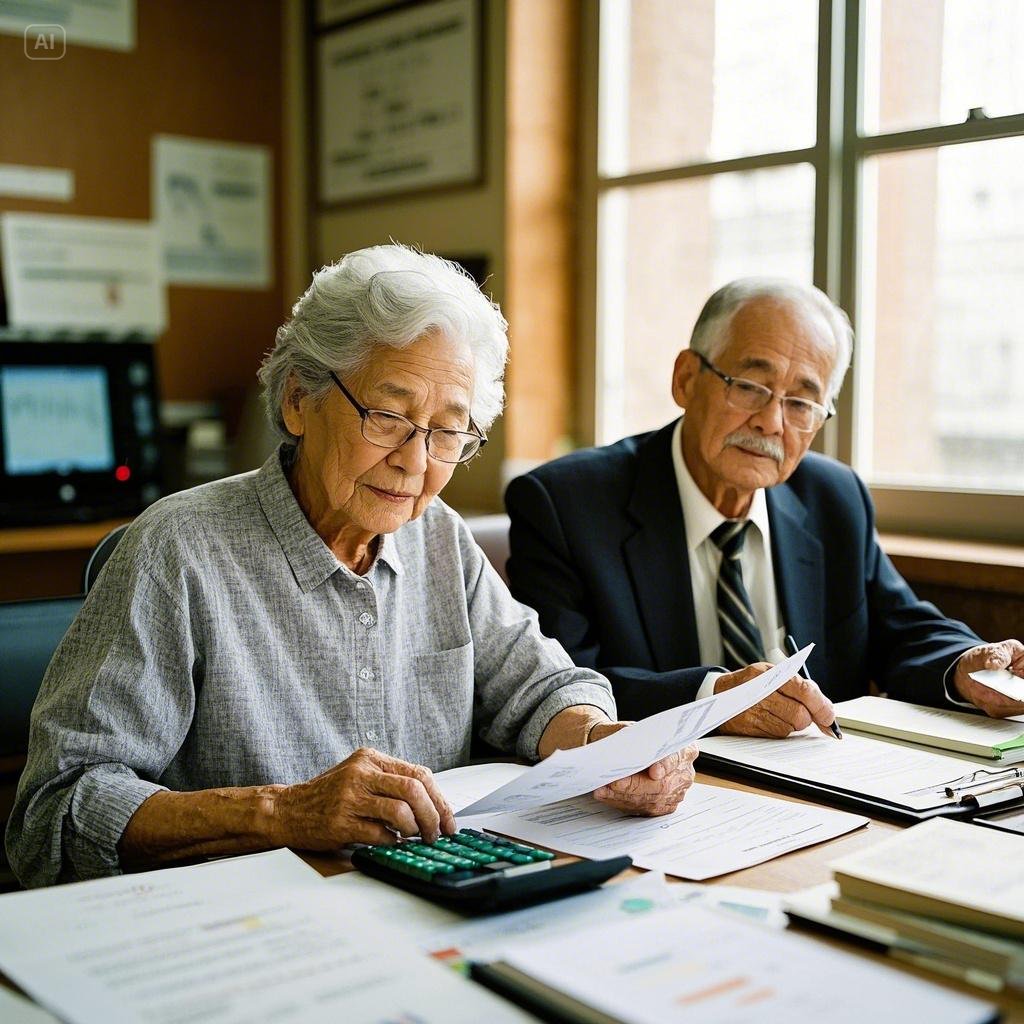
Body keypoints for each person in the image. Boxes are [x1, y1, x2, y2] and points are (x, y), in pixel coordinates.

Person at [6, 245, 696, 889]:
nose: (416, 461)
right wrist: (282, 814)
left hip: (432, 902)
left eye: (448, 432)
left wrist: (601, 743)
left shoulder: (440, 540)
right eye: (388, 416)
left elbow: (543, 685)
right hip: (248, 925)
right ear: (298, 402)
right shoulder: (177, 551)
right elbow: (57, 810)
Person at [506, 278, 1024, 736]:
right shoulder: (566, 504)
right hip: (655, 791)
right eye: (750, 387)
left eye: (801, 403)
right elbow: (562, 686)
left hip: (825, 790)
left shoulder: (834, 497)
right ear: (686, 379)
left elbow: (902, 628)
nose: (772, 422)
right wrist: (715, 700)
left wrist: (964, 665)